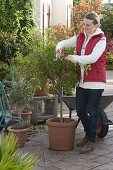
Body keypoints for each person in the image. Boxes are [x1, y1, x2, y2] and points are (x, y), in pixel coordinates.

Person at [55, 11, 107, 154]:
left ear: (96, 25)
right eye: (83, 24)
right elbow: (64, 42)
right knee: (80, 110)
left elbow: (92, 58)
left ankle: (91, 140)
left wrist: (75, 57)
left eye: (88, 25)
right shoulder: (81, 37)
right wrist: (58, 48)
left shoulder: (101, 40)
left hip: (96, 81)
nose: (85, 27)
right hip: (82, 81)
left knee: (93, 111)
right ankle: (89, 134)